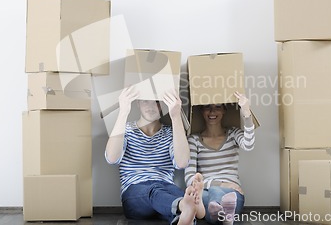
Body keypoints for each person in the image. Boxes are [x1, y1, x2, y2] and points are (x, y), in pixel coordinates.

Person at [105, 86, 205, 225]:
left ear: (163, 104)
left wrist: (175, 116)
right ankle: (186, 206)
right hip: (135, 192)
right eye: (146, 101)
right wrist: (123, 112)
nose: (151, 106)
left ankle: (186, 215)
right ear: (138, 103)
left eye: (157, 101)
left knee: (178, 196)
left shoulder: (171, 133)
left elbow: (182, 163)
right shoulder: (126, 130)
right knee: (157, 192)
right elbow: (112, 158)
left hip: (166, 188)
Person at [184, 91, 256, 225]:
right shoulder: (193, 140)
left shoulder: (233, 134)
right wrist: (220, 184)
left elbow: (249, 144)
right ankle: (223, 216)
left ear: (224, 111)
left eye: (217, 107)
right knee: (209, 195)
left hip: (232, 193)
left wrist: (246, 112)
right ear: (201, 110)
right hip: (205, 190)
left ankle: (219, 211)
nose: (212, 111)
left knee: (220, 201)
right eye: (207, 107)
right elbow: (189, 179)